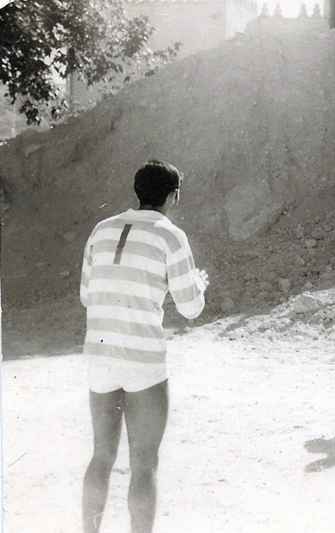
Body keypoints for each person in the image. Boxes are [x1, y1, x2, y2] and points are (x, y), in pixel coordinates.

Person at [79, 160, 208, 533]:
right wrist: (197, 283)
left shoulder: (100, 230)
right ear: (173, 196)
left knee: (101, 456)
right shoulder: (171, 235)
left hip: (100, 354)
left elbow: (87, 296)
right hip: (144, 360)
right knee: (144, 463)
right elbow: (191, 307)